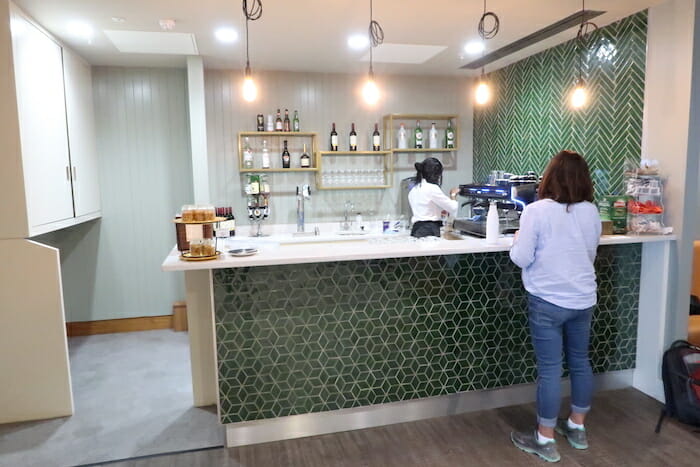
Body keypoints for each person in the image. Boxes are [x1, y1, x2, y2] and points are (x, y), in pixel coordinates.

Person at [509, 150, 601, 463]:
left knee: (550, 369)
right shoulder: (591, 211)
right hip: (583, 299)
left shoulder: (536, 211)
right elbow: (589, 254)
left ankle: (544, 439)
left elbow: (522, 258)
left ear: (550, 177)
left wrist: (517, 238)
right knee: (580, 361)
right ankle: (576, 427)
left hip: (547, 300)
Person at [408, 158, 460, 238]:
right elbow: (453, 208)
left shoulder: (414, 189)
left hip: (416, 229)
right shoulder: (432, 188)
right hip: (429, 230)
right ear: (437, 174)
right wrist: (453, 195)